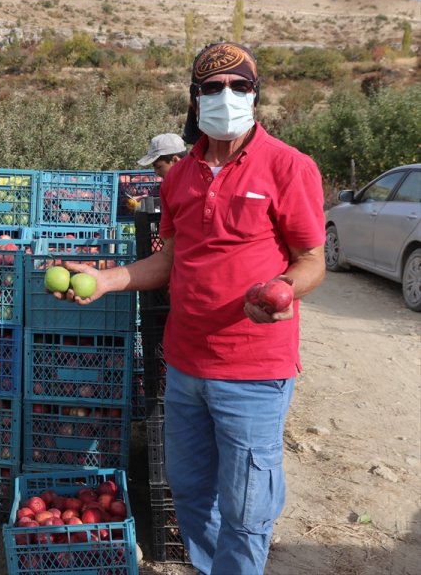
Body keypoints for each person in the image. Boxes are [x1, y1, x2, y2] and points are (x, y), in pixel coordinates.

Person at [60, 43, 326, 574]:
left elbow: (312, 259)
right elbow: (172, 261)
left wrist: (285, 290)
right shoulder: (178, 177)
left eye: (239, 86)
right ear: (194, 98)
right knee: (189, 492)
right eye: (211, 87)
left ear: (255, 94)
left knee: (246, 508)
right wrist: (105, 279)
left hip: (253, 371)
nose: (225, 96)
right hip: (184, 366)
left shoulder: (289, 166)